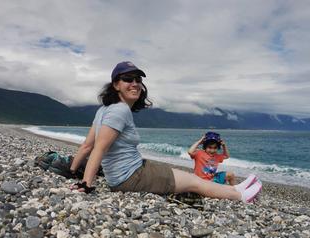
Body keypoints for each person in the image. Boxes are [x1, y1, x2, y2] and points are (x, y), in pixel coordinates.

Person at [69, 61, 262, 203]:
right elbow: (98, 148)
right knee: (193, 181)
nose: (135, 83)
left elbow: (87, 145)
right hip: (130, 177)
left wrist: (72, 172)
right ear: (115, 84)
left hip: (130, 171)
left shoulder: (104, 109)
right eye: (128, 79)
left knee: (187, 177)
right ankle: (239, 195)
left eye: (138, 79)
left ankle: (235, 187)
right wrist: (86, 184)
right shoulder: (119, 110)